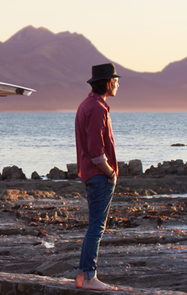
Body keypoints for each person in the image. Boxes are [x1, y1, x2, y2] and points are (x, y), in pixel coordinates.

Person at [74, 63, 121, 291]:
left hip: (92, 175)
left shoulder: (87, 104)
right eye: (116, 80)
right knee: (96, 227)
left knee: (94, 226)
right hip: (99, 176)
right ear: (108, 82)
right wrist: (110, 173)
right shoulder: (97, 108)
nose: (118, 84)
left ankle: (83, 276)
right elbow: (96, 150)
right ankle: (90, 276)